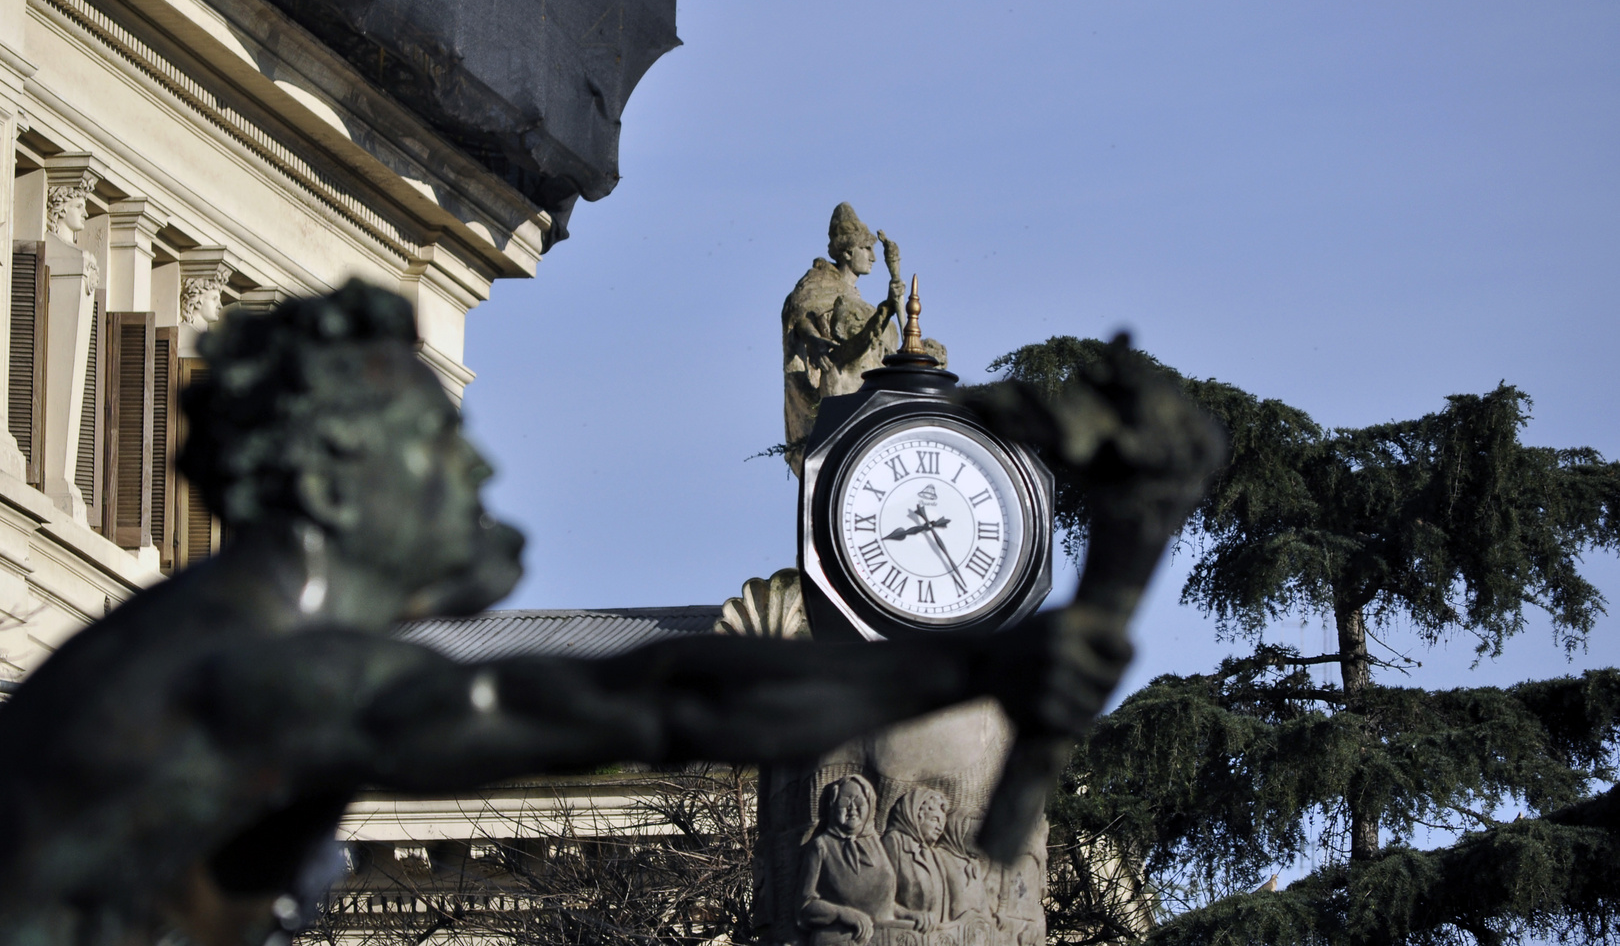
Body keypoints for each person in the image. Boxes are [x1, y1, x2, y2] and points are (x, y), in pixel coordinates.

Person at [0, 281, 1139, 946]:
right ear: (341, 479)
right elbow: (611, 696)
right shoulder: (258, 667)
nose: (479, 479)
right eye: (437, 447)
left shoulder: (234, 649)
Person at [783, 203, 946, 475]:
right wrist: (813, 339)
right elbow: (801, 315)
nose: (873, 257)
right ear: (848, 252)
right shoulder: (818, 283)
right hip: (839, 392)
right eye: (866, 249)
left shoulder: (857, 302)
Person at [798, 775, 898, 946]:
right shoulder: (821, 846)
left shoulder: (877, 844)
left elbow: (883, 903)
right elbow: (804, 906)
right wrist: (842, 914)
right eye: (845, 801)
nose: (852, 808)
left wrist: (910, 915)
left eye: (859, 802)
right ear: (833, 805)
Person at [882, 787, 951, 931]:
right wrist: (909, 915)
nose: (939, 828)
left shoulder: (933, 855)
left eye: (942, 823)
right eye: (934, 820)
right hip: (901, 933)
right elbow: (878, 898)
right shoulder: (894, 842)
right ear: (915, 816)